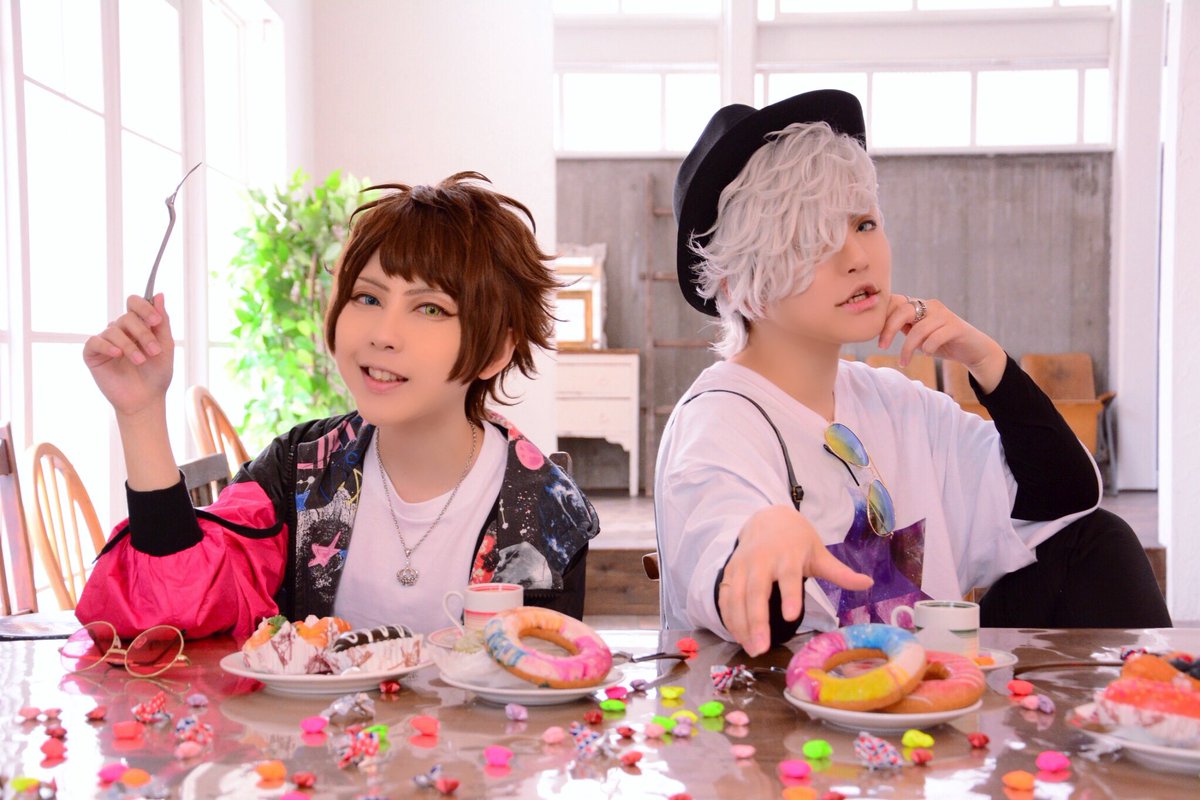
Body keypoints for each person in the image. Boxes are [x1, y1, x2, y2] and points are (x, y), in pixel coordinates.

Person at [656, 90, 1169, 657]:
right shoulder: (716, 423)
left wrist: (988, 361)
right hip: (786, 702)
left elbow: (1065, 498)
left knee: (1097, 543)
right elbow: (735, 584)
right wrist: (763, 540)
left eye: (863, 223)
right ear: (737, 286)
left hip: (923, 691)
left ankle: (1157, 704)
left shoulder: (894, 401)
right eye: (810, 239)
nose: (857, 257)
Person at [77, 171, 599, 640]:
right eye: (367, 298)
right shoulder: (299, 469)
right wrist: (141, 413)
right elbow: (172, 607)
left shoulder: (546, 510)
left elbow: (538, 684)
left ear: (497, 350)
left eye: (430, 308)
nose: (383, 334)